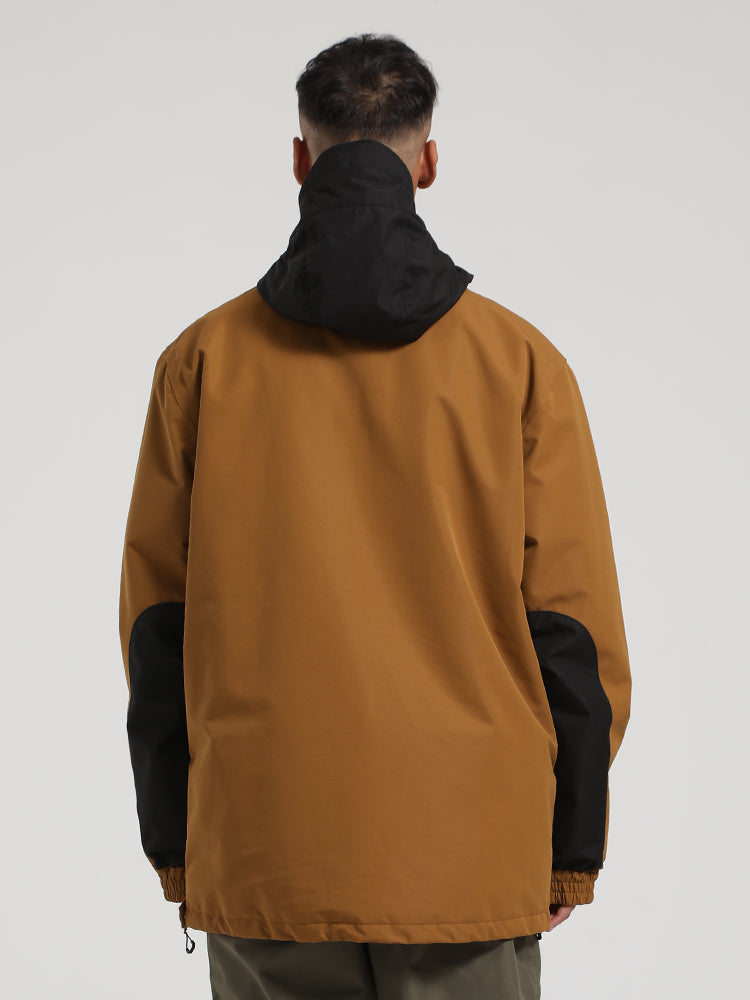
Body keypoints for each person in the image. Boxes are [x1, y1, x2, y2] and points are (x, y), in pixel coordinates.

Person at [118, 31, 631, 1000]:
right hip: (467, 846)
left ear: (300, 159)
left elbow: (157, 626)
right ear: (427, 161)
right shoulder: (520, 363)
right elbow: (572, 626)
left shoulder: (202, 364)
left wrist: (177, 838)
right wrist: (570, 846)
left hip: (266, 841)